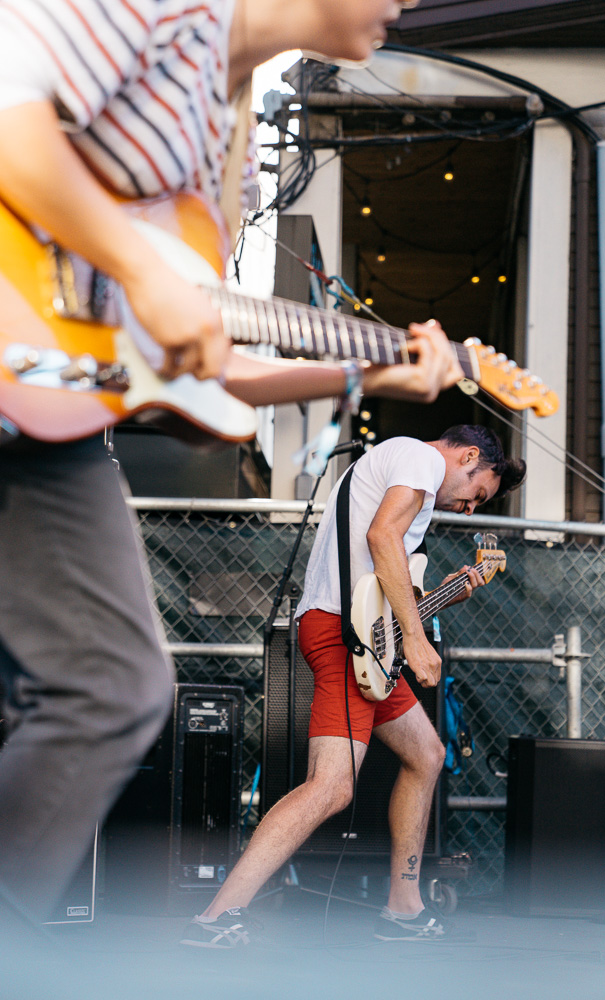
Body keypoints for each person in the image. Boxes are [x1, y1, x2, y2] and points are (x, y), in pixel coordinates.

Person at [0, 0, 467, 932]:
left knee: (118, 687)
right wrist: (141, 269)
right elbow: (11, 118)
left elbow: (204, 365)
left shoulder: (227, 139)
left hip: (51, 422)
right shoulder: (162, 8)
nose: (407, 5)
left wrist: (368, 372)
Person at [180, 425, 526, 948]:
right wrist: (415, 639)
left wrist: (442, 595)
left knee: (427, 755)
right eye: (476, 493)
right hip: (345, 635)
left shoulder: (405, 470)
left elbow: (387, 581)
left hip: (364, 638)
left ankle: (404, 908)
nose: (470, 509)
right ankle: (216, 916)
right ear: (469, 456)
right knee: (331, 786)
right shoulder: (420, 459)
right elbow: (381, 538)